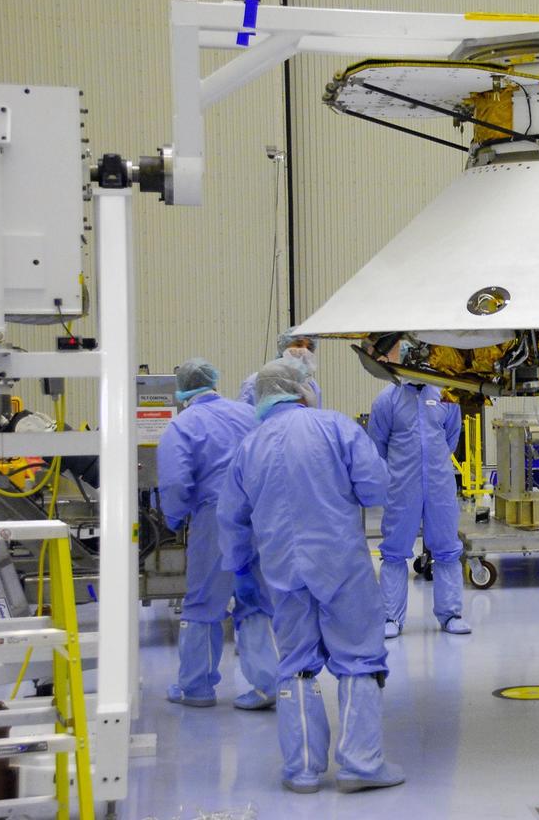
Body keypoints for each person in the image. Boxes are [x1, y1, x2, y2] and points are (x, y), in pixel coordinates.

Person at [218, 358, 404, 794]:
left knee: (296, 664)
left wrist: (241, 569)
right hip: (339, 561)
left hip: (281, 569)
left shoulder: (250, 446)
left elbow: (231, 517)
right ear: (301, 391)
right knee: (358, 656)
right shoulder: (334, 427)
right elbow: (376, 486)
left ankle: (301, 769)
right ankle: (360, 763)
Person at [156, 358, 278, 710]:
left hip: (215, 518)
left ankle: (196, 686)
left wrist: (175, 518)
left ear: (182, 389)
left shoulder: (182, 425)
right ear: (214, 382)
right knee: (256, 597)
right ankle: (267, 684)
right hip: (256, 514)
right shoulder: (246, 414)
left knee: (203, 600)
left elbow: (176, 481)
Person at [368, 378, 470, 638]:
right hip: (402, 486)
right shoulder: (387, 399)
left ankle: (451, 615)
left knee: (447, 547)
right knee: (394, 549)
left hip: (439, 483)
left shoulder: (446, 395)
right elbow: (377, 444)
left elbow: (451, 436)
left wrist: (432, 465)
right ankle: (391, 617)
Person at [240, 327, 322, 408]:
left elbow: (315, 415)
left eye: (309, 348)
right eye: (298, 345)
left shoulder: (311, 385)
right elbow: (244, 415)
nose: (304, 351)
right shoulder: (257, 380)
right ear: (284, 347)